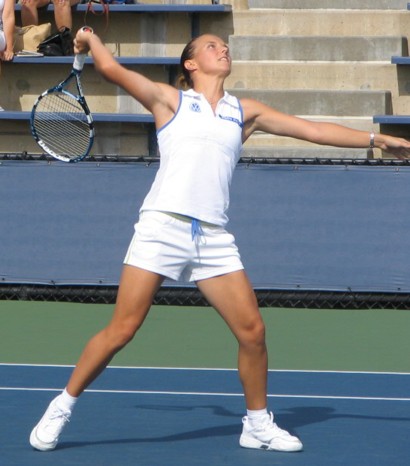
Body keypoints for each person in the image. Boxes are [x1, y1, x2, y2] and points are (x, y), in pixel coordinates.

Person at [29, 29, 410, 454]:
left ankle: (257, 423)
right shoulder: (168, 100)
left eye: (223, 46)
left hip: (213, 236)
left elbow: (312, 130)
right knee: (123, 329)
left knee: (253, 332)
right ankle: (62, 405)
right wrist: (90, 38)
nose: (222, 49)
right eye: (211, 46)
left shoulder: (244, 111)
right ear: (190, 64)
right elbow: (113, 69)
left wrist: (377, 139)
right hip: (161, 228)